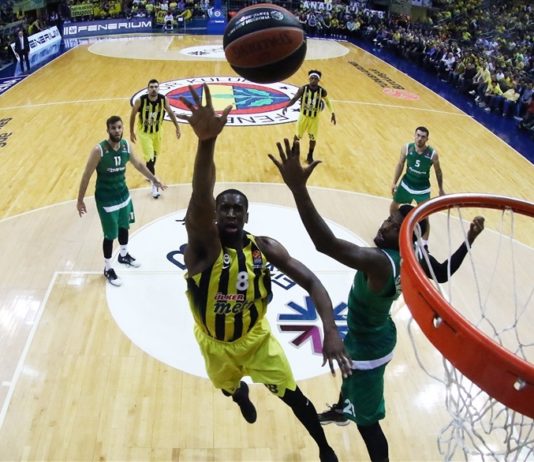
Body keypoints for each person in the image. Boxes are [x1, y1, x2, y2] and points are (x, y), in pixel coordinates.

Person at [179, 84, 352, 462]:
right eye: (223, 208)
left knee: (295, 398)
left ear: (246, 216)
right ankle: (239, 394)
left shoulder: (264, 248)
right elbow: (200, 196)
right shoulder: (203, 250)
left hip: (257, 340)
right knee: (226, 387)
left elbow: (312, 281)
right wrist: (206, 144)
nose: (229, 213)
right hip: (215, 344)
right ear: (215, 215)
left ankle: (324, 449)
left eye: (236, 209)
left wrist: (331, 329)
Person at [269, 138, 416, 462]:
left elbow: (326, 243)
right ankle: (341, 408)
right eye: (389, 220)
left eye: (393, 227)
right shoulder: (406, 257)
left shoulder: (380, 262)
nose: (385, 225)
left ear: (404, 238)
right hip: (374, 330)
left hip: (369, 349)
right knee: (347, 372)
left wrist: (298, 189)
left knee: (369, 424)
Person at [77, 115, 166, 287]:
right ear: (108, 130)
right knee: (110, 235)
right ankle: (108, 268)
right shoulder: (99, 150)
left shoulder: (126, 146)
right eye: (113, 128)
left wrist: (154, 179)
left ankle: (123, 255)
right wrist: (80, 200)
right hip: (106, 198)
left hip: (123, 194)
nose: (117, 131)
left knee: (125, 226)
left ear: (122, 128)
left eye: (119, 127)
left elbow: (139, 165)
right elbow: (86, 175)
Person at [390, 126, 445, 240]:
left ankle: (424, 243)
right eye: (418, 135)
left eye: (423, 137)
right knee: (394, 205)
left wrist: (441, 189)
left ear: (427, 139)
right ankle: (393, 226)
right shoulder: (407, 148)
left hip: (422, 188)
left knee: (425, 215)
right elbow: (400, 164)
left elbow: (438, 172)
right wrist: (394, 182)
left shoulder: (432, 154)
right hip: (406, 183)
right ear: (414, 136)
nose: (420, 138)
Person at [129, 78, 181, 198]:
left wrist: (177, 127)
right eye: (151, 87)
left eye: (155, 87)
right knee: (150, 158)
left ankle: (149, 174)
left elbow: (170, 112)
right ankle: (154, 184)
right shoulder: (140, 101)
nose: (153, 89)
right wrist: (131, 131)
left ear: (158, 88)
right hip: (145, 133)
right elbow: (133, 115)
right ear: (148, 89)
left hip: (158, 132)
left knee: (155, 155)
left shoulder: (163, 100)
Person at [282, 70, 336, 165]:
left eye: (316, 78)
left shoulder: (322, 91)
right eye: (312, 78)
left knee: (313, 138)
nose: (313, 80)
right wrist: (287, 106)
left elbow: (327, 101)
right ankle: (293, 151)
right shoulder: (303, 89)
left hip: (314, 119)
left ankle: (310, 155)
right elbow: (294, 98)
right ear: (309, 79)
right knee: (298, 135)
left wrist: (332, 113)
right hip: (303, 116)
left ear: (318, 80)